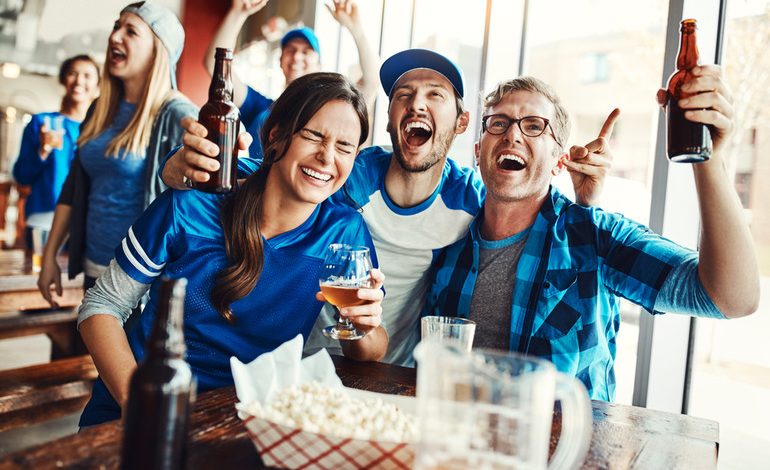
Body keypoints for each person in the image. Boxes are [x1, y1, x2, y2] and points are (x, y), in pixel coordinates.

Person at [161, 49, 610, 367]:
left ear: (462, 123)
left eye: (435, 95)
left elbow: (527, 208)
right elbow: (264, 172)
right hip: (297, 360)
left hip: (388, 372)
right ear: (390, 117)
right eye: (403, 94)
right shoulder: (349, 173)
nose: (416, 104)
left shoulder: (471, 200)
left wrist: (586, 200)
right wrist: (181, 168)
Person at [424, 71, 759, 401]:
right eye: (499, 123)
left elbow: (732, 298)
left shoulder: (593, 237)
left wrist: (708, 158)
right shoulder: (448, 242)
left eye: (534, 126)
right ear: (478, 150)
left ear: (559, 162)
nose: (512, 135)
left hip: (567, 438)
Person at [77, 72, 387, 426]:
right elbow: (101, 305)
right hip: (139, 409)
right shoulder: (192, 203)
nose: (326, 157)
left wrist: (364, 325)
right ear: (276, 135)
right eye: (313, 136)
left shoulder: (345, 231)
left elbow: (370, 349)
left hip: (249, 420)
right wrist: (138, 404)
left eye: (344, 147)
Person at [36, 2, 197, 307]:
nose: (115, 36)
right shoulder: (100, 109)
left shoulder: (176, 114)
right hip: (94, 268)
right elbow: (73, 188)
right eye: (116, 26)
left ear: (157, 50)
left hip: (140, 283)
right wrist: (49, 256)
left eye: (131, 31)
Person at [206, 0, 378, 158]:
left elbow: (372, 82)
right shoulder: (260, 107)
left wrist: (355, 28)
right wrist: (237, 13)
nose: (296, 56)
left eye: (306, 51)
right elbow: (216, 66)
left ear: (319, 64)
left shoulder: (329, 113)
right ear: (280, 60)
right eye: (291, 50)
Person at [12, 54, 100, 238]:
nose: (79, 81)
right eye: (73, 73)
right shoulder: (41, 122)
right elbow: (22, 176)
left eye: (87, 76)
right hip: (44, 220)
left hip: (86, 222)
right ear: (63, 79)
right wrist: (43, 150)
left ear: (98, 85)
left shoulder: (101, 131)